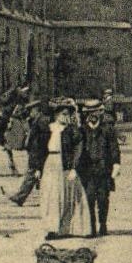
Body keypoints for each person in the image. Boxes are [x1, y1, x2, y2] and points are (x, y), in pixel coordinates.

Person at [39, 99, 90, 238]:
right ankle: (52, 228)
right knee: (52, 197)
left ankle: (68, 228)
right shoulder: (48, 129)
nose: (65, 117)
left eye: (67, 114)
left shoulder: (72, 131)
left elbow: (78, 149)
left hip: (65, 164)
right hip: (50, 163)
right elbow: (39, 149)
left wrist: (74, 168)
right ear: (56, 115)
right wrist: (37, 167)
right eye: (62, 114)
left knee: (68, 196)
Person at [79, 99, 121, 237]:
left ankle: (103, 224)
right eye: (89, 113)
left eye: (95, 112)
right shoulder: (82, 130)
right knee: (89, 198)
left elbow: (114, 148)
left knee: (103, 199)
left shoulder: (107, 129)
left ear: (100, 112)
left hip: (104, 169)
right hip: (88, 170)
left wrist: (116, 164)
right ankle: (91, 226)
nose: (93, 115)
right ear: (86, 114)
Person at [6, 101, 49, 206]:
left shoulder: (42, 121)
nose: (29, 113)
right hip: (35, 152)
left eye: (31, 111)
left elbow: (43, 139)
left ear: (36, 110)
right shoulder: (36, 120)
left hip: (39, 153)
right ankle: (21, 197)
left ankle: (20, 197)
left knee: (32, 174)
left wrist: (39, 154)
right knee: (34, 174)